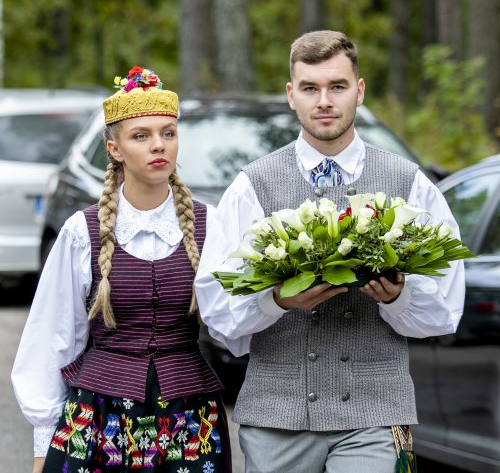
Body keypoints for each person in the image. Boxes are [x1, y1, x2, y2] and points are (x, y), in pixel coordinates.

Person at [194, 30, 465, 472]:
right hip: (276, 415)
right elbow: (219, 311)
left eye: (337, 86)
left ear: (358, 91)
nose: (324, 100)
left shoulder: (409, 182)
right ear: (291, 95)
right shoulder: (252, 186)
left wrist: (398, 296)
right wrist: (276, 300)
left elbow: (444, 309)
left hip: (376, 412)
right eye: (310, 88)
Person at [12, 66, 232, 473]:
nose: (158, 145)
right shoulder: (83, 232)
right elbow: (52, 337)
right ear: (115, 149)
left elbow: (231, 325)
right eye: (141, 136)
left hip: (188, 417)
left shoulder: (209, 223)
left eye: (168, 133)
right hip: (99, 416)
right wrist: (44, 441)